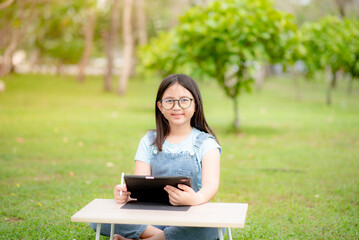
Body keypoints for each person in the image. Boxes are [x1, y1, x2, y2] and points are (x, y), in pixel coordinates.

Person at [91, 74, 222, 240]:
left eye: (184, 100)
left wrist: (196, 198)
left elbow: (211, 184)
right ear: (160, 106)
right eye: (169, 101)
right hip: (152, 217)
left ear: (195, 104)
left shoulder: (206, 143)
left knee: (208, 229)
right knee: (98, 220)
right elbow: (139, 186)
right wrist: (125, 194)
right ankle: (163, 237)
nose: (177, 107)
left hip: (191, 217)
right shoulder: (148, 141)